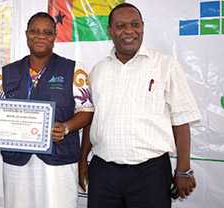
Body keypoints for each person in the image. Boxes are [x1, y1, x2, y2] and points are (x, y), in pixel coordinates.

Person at [79, 3, 201, 208]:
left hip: (150, 173)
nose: (129, 31)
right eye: (120, 25)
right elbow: (92, 119)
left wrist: (183, 170)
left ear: (143, 27)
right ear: (110, 31)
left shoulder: (165, 65)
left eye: (135, 24)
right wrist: (82, 160)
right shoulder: (98, 71)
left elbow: (181, 120)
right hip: (103, 172)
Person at [0, 12, 93, 208]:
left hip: (59, 162)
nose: (40, 36)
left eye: (47, 32)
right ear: (26, 34)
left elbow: (87, 111)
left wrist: (66, 127)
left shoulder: (74, 70)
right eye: (35, 31)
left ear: (54, 36)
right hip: (17, 163)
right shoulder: (5, 73)